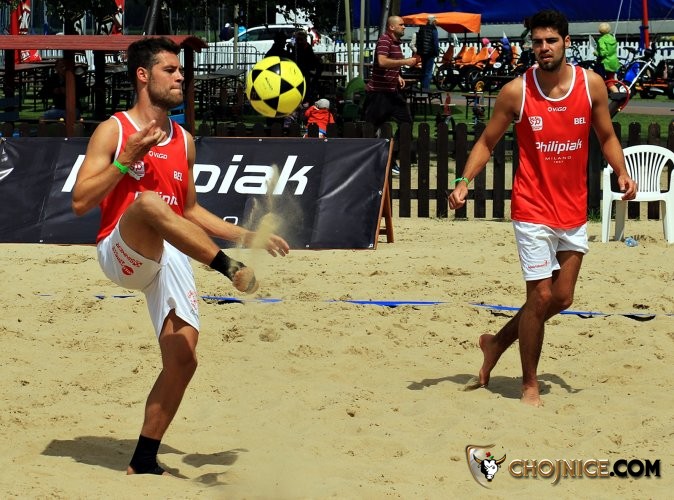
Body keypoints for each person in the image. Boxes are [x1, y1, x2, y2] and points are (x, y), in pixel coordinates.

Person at [71, 37, 290, 475]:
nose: (180, 77)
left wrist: (246, 234)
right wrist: (126, 159)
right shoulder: (114, 130)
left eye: (180, 70)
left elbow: (189, 211)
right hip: (121, 248)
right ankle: (228, 267)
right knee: (149, 203)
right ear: (143, 75)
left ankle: (143, 460)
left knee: (184, 359)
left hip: (168, 252)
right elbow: (79, 202)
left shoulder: (183, 139)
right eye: (169, 70)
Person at [447, 10, 637, 407]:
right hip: (532, 207)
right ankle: (529, 385)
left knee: (562, 298)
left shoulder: (591, 85)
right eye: (537, 42)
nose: (544, 48)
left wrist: (622, 171)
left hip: (572, 207)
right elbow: (486, 142)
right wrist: (464, 180)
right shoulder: (516, 91)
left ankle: (496, 343)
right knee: (539, 296)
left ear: (567, 42)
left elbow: (606, 136)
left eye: (551, 40)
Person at [362, 15, 421, 177]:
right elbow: (382, 62)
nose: (404, 27)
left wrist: (398, 76)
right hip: (379, 93)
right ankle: (369, 163)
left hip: (391, 92)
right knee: (371, 129)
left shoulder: (396, 43)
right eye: (401, 25)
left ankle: (390, 156)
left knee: (406, 123)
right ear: (392, 27)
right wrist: (405, 62)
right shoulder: (385, 40)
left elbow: (390, 64)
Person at [289, 31, 322, 103]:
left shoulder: (307, 48)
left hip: (306, 70)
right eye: (298, 40)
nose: (299, 42)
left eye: (301, 39)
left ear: (305, 39)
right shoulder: (295, 48)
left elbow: (312, 60)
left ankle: (306, 98)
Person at [415, 15, 440, 91]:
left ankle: (422, 87)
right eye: (435, 21)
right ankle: (425, 89)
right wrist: (436, 52)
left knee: (424, 70)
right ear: (433, 21)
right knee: (428, 71)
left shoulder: (422, 28)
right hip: (430, 52)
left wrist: (419, 51)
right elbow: (435, 42)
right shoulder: (433, 29)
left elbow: (418, 40)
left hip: (423, 52)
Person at [595, 22, 620, 93]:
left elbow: (603, 52)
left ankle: (617, 94)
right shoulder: (612, 38)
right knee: (611, 79)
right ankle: (614, 93)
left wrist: (596, 53)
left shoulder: (601, 40)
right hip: (613, 62)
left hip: (605, 63)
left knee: (602, 80)